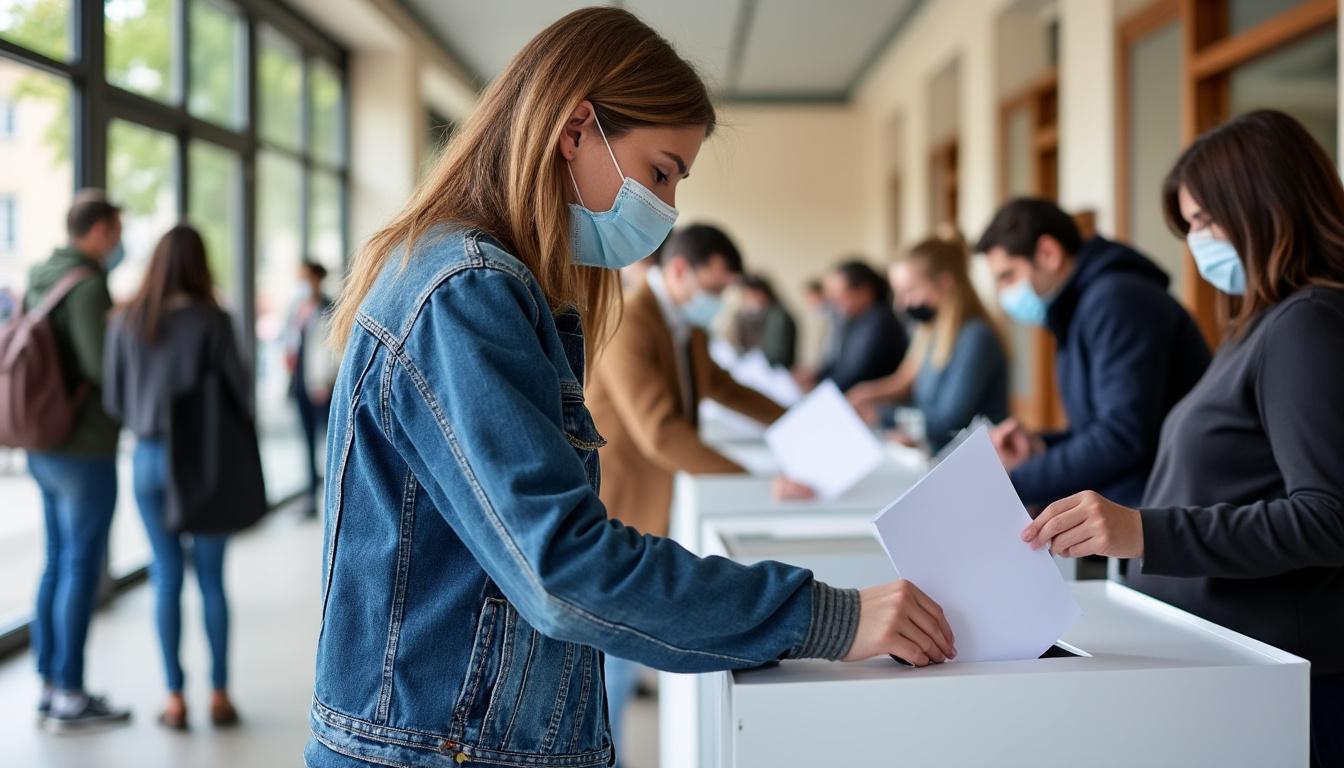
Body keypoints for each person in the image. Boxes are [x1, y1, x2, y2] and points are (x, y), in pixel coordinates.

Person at [305, 9, 954, 767]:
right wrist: (826, 617)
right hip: (442, 744)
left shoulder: (490, 283)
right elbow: (563, 567)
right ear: (576, 129)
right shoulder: (466, 292)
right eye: (660, 172)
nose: (668, 209)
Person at [1021, 110, 1344, 768]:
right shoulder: (1257, 324)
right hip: (1214, 659)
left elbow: (1328, 517)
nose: (1195, 242)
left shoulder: (1306, 324)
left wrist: (1145, 532)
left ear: (1259, 205)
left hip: (1281, 684)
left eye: (1201, 222)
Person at [585, 224, 798, 755]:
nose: (720, 300)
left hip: (660, 498)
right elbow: (659, 429)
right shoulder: (630, 320)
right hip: (621, 499)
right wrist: (756, 484)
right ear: (679, 271)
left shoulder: (687, 326)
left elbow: (726, 388)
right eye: (715, 287)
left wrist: (800, 421)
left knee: (625, 648)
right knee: (609, 651)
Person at [977, 198, 1210, 508]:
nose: (1004, 293)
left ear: (1048, 253)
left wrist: (1011, 485)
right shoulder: (1077, 307)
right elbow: (1097, 427)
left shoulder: (1115, 300)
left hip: (1168, 504)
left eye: (1008, 276)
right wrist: (1040, 445)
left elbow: (1122, 437)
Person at [103, 225, 244, 731]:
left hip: (148, 461)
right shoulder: (215, 322)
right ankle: (220, 694)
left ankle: (174, 698)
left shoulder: (125, 321)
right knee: (211, 581)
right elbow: (239, 394)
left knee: (166, 576)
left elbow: (114, 399)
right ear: (201, 264)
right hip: (204, 463)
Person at [24, 191, 131, 731]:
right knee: (80, 568)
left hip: (42, 444)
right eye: (115, 232)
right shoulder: (87, 286)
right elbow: (99, 367)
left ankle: (48, 682)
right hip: (84, 448)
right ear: (99, 231)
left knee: (56, 561)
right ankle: (70, 690)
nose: (118, 243)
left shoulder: (42, 276)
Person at [847, 237, 1009, 452]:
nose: (901, 304)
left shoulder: (976, 337)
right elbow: (907, 385)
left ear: (944, 283)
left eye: (910, 291)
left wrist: (883, 415)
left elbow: (949, 422)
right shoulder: (930, 333)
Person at [808, 259, 908, 393]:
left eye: (840, 295)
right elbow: (839, 364)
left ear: (865, 291)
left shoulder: (879, 321)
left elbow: (854, 375)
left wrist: (817, 387)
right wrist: (815, 376)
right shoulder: (856, 319)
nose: (835, 302)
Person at [284, 260, 336, 515]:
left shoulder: (329, 307)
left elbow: (332, 350)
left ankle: (333, 497)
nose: (301, 283)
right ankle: (310, 500)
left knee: (329, 443)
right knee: (306, 443)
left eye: (305, 277)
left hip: (321, 388)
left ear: (317, 278)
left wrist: (326, 381)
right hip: (299, 385)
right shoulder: (297, 309)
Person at [733, 273, 797, 369]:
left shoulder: (778, 316)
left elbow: (774, 355)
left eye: (747, 295)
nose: (745, 300)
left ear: (760, 293)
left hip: (776, 373)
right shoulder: (758, 316)